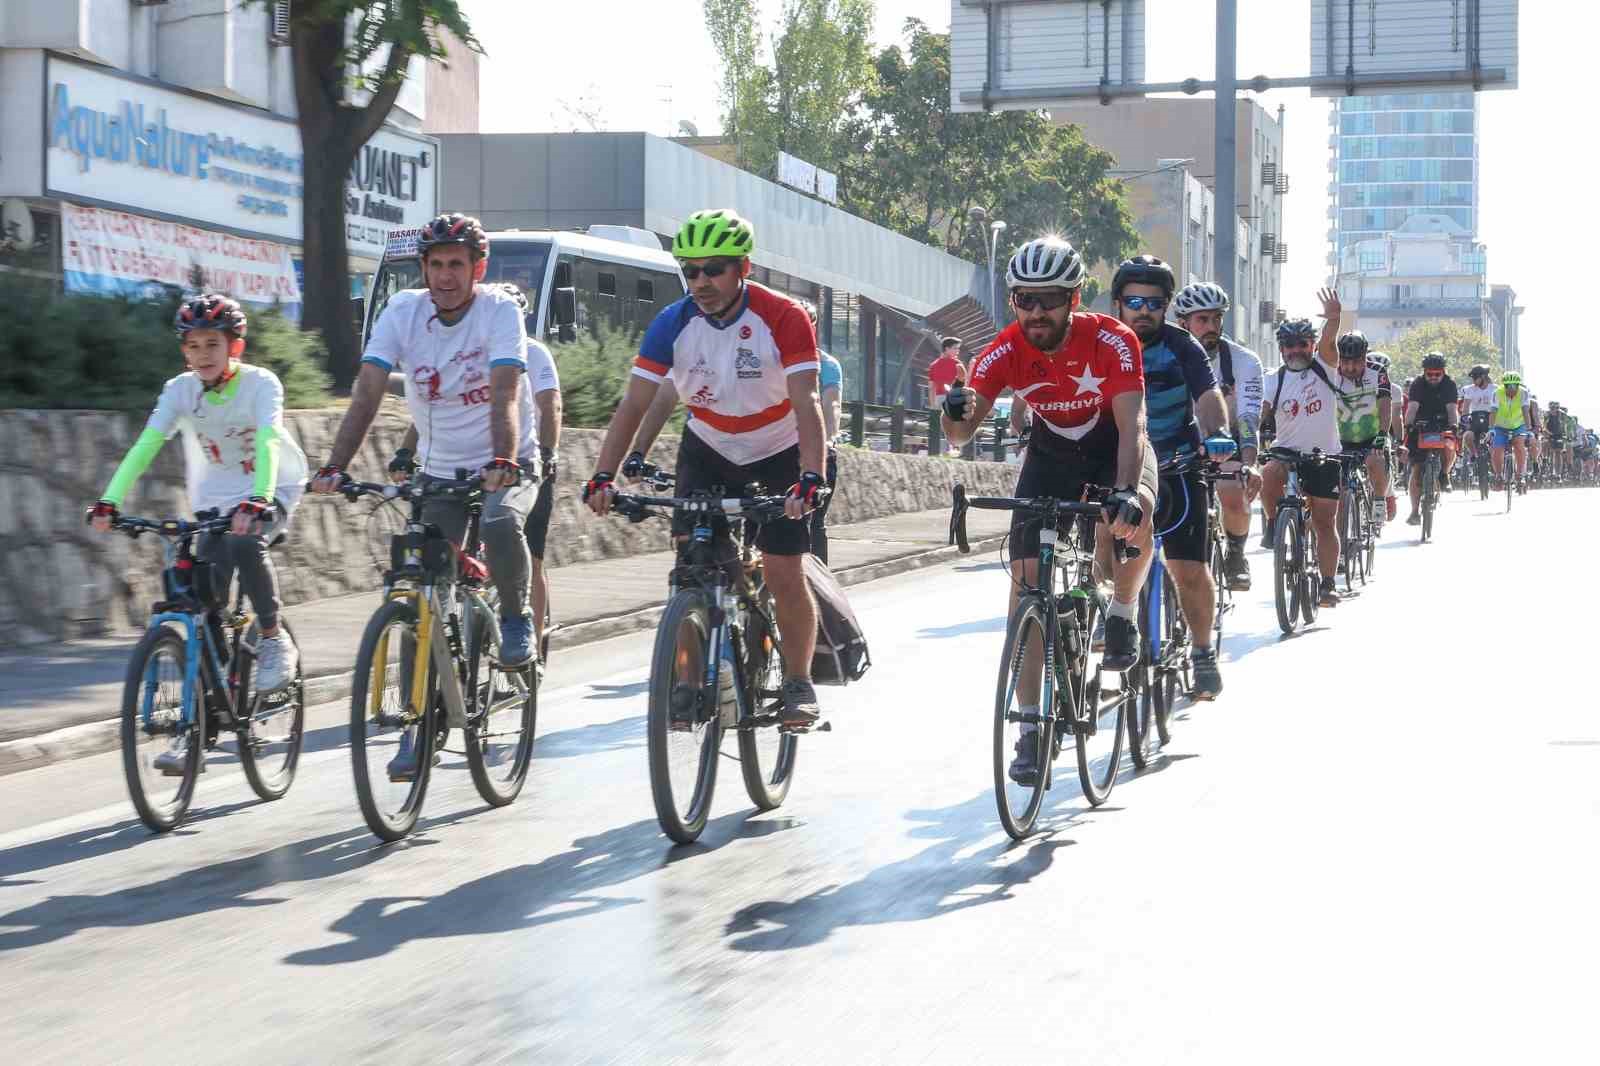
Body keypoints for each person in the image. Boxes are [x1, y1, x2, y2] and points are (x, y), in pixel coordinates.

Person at [309, 212, 539, 778]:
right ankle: (420, 724)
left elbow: (506, 391)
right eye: (434, 265)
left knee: (500, 526)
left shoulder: (498, 311)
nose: (443, 276)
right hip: (438, 469)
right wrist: (336, 465)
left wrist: (504, 460)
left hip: (506, 460)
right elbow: (366, 390)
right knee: (419, 589)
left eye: (456, 265)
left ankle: (515, 617)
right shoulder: (403, 311)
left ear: (477, 269)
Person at [583, 208, 829, 728]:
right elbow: (634, 404)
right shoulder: (673, 323)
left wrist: (811, 476)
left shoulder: (783, 316)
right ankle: (691, 678)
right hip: (708, 445)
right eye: (689, 270)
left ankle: (798, 682)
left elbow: (807, 405)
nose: (701, 281)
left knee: (784, 567)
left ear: (744, 267)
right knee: (690, 563)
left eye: (713, 269)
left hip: (778, 446)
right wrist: (604, 474)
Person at [942, 236, 1158, 785]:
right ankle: (1032, 727)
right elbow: (961, 435)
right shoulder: (1005, 348)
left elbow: (1132, 425)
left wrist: (1127, 492)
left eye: (1049, 299)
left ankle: (1123, 613)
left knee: (1134, 516)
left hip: (1114, 445)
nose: (1036, 311)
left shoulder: (1114, 339)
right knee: (1026, 586)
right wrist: (954, 411)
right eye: (1024, 300)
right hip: (1053, 452)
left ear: (1074, 298)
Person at [87, 294, 309, 773]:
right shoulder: (180, 390)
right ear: (183, 352)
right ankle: (200, 727)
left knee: (244, 541)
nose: (204, 353)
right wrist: (109, 500)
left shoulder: (260, 385)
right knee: (198, 597)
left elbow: (268, 439)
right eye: (194, 345)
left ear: (236, 347)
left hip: (271, 486)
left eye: (214, 343)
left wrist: (259, 498)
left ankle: (272, 636)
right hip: (214, 498)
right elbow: (148, 443)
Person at [388, 282, 564, 653]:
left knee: (520, 543)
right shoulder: (459, 353)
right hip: (458, 468)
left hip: (517, 463)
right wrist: (406, 453)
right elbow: (432, 411)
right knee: (436, 549)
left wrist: (547, 455)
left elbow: (549, 407)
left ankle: (527, 627)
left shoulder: (532, 354)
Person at [1112, 257, 1231, 699]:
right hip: (1121, 469)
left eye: (1155, 303)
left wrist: (1217, 433)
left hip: (1178, 467)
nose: (1144, 311)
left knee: (1188, 569)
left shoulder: (1182, 345)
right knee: (1106, 556)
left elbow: (1208, 394)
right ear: (1118, 304)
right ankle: (1118, 616)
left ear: (1166, 307)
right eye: (1134, 302)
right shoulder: (1103, 343)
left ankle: (1202, 651)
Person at [1172, 281, 1264, 591]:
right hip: (1180, 441)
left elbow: (1249, 418)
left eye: (1217, 318)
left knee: (1234, 497)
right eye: (1203, 320)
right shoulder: (1165, 354)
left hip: (1227, 443)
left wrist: (1249, 463)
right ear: (1183, 323)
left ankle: (1236, 555)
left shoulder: (1245, 361)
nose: (1212, 326)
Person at [1258, 289, 1345, 608]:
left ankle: (1327, 583)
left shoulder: (1324, 367)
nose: (1296, 350)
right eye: (1289, 345)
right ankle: (1273, 523)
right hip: (1286, 454)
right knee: (1268, 473)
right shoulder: (1274, 379)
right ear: (1281, 349)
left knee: (1324, 522)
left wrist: (1333, 318)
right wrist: (1255, 429)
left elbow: (1330, 341)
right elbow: (1262, 410)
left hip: (1324, 456)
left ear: (1311, 345)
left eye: (1302, 343)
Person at [1332, 330, 1393, 526]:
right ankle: (1342, 546)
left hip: (1371, 436)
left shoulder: (1378, 372)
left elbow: (1385, 404)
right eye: (1345, 361)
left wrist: (1383, 434)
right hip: (1340, 439)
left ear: (1364, 357)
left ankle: (1378, 501)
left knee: (1376, 460)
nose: (1350, 367)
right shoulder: (1330, 373)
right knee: (1341, 494)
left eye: (1356, 362)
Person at [1403, 353, 1460, 522]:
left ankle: (1444, 474)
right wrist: (1408, 426)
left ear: (1443, 372)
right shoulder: (1417, 384)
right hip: (1421, 423)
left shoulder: (1450, 384)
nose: (1434, 377)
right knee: (1417, 470)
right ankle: (1414, 512)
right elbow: (1412, 408)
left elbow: (1452, 409)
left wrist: (1454, 427)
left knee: (1450, 445)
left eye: (1438, 374)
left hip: (1443, 423)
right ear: (1424, 372)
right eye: (1430, 374)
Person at [1488, 370, 1533, 488]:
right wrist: (1491, 429)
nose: (1512, 388)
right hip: (1500, 426)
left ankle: (1520, 475)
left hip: (1518, 425)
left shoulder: (1524, 393)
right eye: (1508, 386)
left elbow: (1525, 411)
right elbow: (1493, 411)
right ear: (1504, 385)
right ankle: (1498, 475)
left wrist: (1528, 430)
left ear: (1518, 385)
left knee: (1519, 445)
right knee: (1497, 449)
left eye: (1515, 385)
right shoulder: (1497, 393)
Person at [1458, 365, 1497, 484]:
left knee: (1494, 441)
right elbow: (1465, 408)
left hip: (1491, 416)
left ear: (1483, 377)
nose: (1473, 380)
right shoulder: (1469, 389)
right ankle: (1474, 455)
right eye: (1472, 378)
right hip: (1474, 417)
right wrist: (1464, 421)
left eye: (1475, 377)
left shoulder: (1495, 389)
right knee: (1467, 436)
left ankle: (1493, 462)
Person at [927, 337, 967, 412]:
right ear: (947, 348)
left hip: (939, 399)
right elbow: (965, 383)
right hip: (955, 399)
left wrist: (933, 406)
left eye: (958, 348)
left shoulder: (933, 365)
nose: (958, 351)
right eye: (955, 348)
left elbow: (931, 388)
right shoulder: (958, 364)